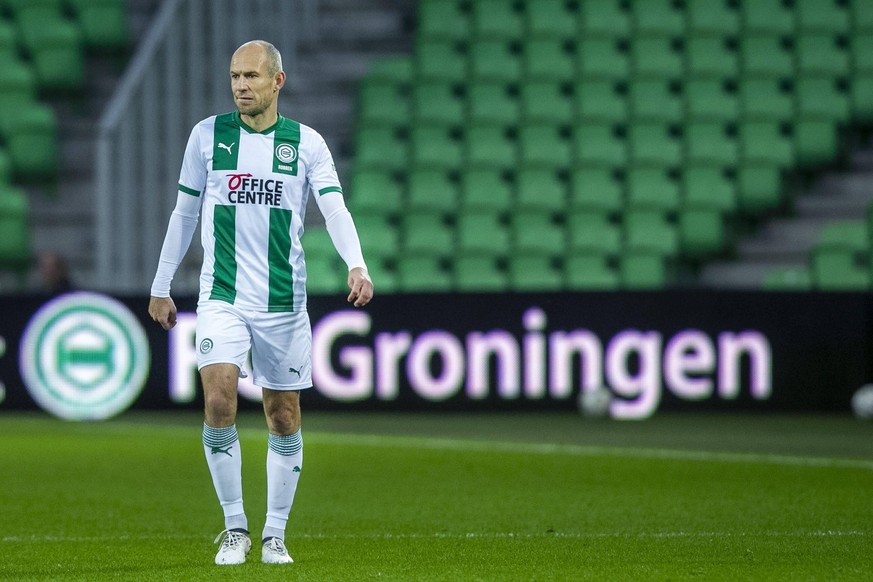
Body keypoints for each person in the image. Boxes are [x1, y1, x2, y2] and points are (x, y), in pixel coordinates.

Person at [148, 40, 373, 566]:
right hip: (221, 295)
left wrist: (356, 263)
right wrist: (161, 285)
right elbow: (184, 215)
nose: (240, 86)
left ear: (278, 81)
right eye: (234, 76)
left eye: (251, 76)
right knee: (219, 402)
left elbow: (334, 210)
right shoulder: (208, 136)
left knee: (283, 415)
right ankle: (234, 528)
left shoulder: (307, 143)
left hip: (283, 300)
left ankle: (275, 533)